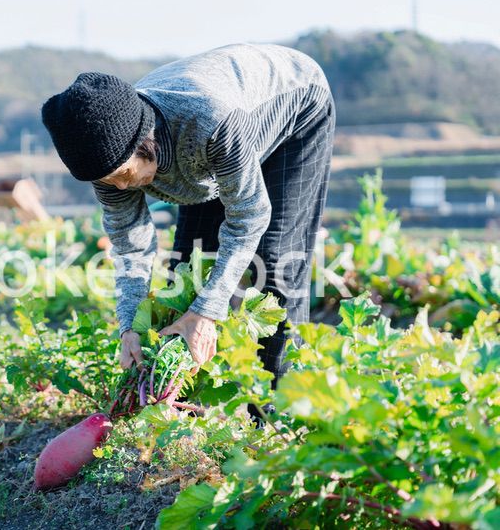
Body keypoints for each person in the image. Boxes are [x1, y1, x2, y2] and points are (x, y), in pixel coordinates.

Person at [41, 43, 335, 391]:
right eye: (107, 182)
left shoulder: (211, 122)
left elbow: (249, 217)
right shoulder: (106, 166)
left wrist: (208, 312)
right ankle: (185, 414)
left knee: (273, 266)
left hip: (295, 110)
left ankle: (277, 411)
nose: (119, 187)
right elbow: (130, 247)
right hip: (208, 152)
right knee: (187, 271)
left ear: (145, 141)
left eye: (123, 173)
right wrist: (130, 326)